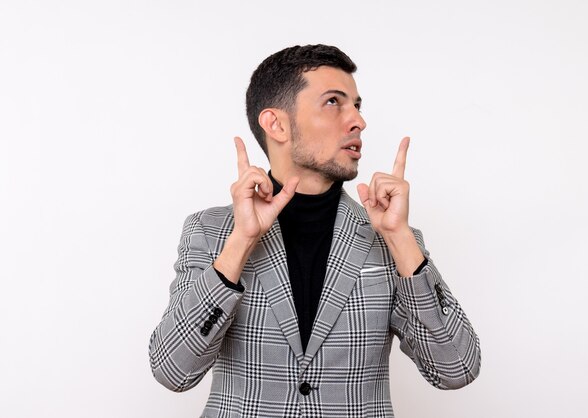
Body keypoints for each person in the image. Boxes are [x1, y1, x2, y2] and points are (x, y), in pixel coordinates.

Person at [149, 44, 480, 417]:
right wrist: (240, 243)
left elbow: (457, 369)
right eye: (333, 102)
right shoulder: (211, 231)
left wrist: (400, 239)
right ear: (277, 124)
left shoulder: (393, 238)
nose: (358, 121)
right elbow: (172, 371)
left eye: (357, 105)